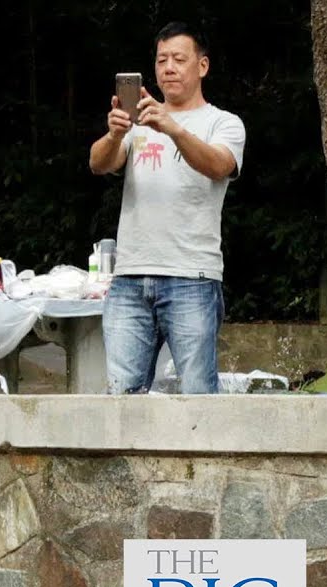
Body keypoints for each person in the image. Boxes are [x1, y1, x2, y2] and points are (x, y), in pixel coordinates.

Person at [88, 22, 245, 394]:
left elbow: (219, 165)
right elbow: (98, 163)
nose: (168, 68)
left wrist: (172, 128)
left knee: (197, 395)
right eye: (161, 60)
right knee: (122, 396)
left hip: (193, 276)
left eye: (179, 59)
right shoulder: (138, 123)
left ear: (202, 66)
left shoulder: (223, 122)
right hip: (129, 278)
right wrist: (114, 134)